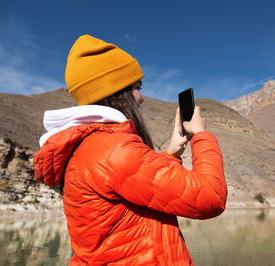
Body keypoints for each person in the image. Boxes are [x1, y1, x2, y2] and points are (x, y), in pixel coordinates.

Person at [34, 34, 227, 265]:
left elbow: (137, 195)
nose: (141, 98)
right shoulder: (114, 150)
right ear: (118, 92)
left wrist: (170, 155)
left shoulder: (89, 147)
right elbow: (210, 197)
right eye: (137, 87)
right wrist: (201, 136)